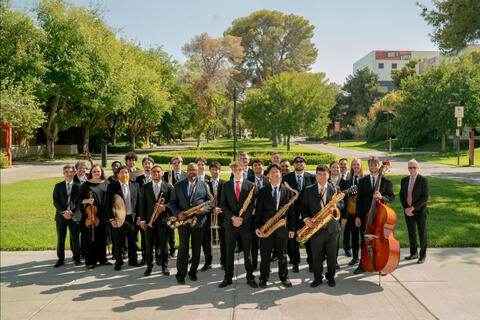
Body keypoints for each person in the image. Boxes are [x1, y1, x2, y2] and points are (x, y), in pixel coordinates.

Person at [169, 163, 213, 284]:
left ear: (198, 171)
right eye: (189, 170)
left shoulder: (205, 185)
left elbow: (211, 202)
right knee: (183, 249)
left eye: (194, 170)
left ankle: (193, 272)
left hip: (199, 222)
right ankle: (180, 274)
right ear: (186, 171)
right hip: (183, 221)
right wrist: (178, 213)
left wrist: (204, 210)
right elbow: (172, 202)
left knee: (196, 249)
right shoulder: (178, 185)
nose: (191, 172)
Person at [301, 164, 344, 287]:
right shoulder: (309, 189)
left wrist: (336, 206)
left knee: (332, 255)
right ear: (316, 175)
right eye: (319, 174)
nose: (322, 177)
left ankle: (331, 277)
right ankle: (317, 277)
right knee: (317, 255)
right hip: (315, 228)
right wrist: (306, 219)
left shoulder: (336, 189)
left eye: (324, 174)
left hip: (332, 229)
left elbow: (342, 204)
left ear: (329, 175)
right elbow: (303, 207)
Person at [255, 163, 296, 288]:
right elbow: (258, 212)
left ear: (280, 174)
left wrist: (292, 229)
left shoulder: (288, 191)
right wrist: (257, 227)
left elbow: (292, 212)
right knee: (265, 255)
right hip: (266, 228)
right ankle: (263, 278)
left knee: (282, 255)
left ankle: (284, 277)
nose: (275, 174)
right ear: (268, 176)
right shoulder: (262, 191)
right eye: (272, 172)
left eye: (277, 172)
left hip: (282, 229)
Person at [219, 161, 258, 288]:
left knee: (248, 253)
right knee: (229, 252)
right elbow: (223, 205)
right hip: (230, 224)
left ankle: (250, 277)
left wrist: (241, 219)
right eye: (235, 170)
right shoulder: (226, 185)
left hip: (245, 224)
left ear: (244, 170)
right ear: (231, 171)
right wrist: (233, 218)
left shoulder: (251, 185)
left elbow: (252, 205)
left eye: (240, 170)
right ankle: (227, 278)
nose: (237, 172)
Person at [354, 156, 395, 274]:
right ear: (369, 166)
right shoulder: (362, 181)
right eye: (370, 165)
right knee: (364, 240)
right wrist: (357, 216)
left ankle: (380, 263)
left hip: (380, 218)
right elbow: (359, 200)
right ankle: (363, 263)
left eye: (375, 165)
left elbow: (392, 197)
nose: (373, 167)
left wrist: (382, 197)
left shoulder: (386, 182)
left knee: (379, 241)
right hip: (365, 216)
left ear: (378, 166)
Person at [283, 155, 316, 273]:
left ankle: (311, 263)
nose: (299, 163)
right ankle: (295, 263)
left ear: (304, 164)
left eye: (301, 162)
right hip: (293, 215)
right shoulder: (286, 178)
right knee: (294, 241)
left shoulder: (311, 177)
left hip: (307, 215)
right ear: (294, 164)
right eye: (296, 162)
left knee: (309, 240)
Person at [106, 165, 141, 271]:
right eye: (121, 173)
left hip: (132, 218)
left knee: (132, 241)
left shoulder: (135, 185)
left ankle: (133, 260)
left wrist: (139, 217)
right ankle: (118, 262)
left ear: (129, 174)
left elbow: (139, 203)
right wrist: (111, 219)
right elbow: (107, 204)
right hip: (118, 218)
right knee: (118, 241)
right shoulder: (112, 186)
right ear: (117, 174)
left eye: (126, 172)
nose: (124, 174)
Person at [140, 165, 173, 276]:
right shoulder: (145, 187)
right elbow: (142, 205)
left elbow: (172, 203)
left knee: (164, 245)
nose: (156, 174)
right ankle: (149, 267)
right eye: (154, 172)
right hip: (150, 220)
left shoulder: (168, 187)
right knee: (149, 245)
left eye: (158, 172)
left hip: (163, 220)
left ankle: (165, 266)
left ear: (162, 173)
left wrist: (164, 207)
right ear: (151, 173)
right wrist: (143, 220)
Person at [77, 165, 110, 269]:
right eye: (94, 171)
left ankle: (103, 259)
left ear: (101, 172)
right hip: (90, 214)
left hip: (103, 214)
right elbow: (77, 200)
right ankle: (91, 261)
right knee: (90, 238)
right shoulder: (86, 185)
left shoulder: (106, 183)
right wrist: (86, 201)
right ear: (91, 172)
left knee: (102, 237)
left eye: (98, 171)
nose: (96, 173)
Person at [399, 159, 429, 264]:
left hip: (420, 211)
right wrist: (406, 208)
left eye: (414, 167)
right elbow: (402, 195)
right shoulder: (404, 180)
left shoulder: (423, 180)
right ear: (408, 168)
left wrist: (413, 208)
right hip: (408, 211)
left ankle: (422, 255)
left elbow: (424, 197)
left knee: (422, 233)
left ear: (418, 168)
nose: (412, 169)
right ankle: (413, 253)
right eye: (410, 167)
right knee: (411, 233)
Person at [53, 165, 82, 267]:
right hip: (61, 217)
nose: (69, 174)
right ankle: (60, 259)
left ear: (74, 173)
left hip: (74, 216)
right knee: (61, 238)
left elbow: (79, 202)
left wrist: (71, 212)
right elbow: (55, 201)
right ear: (63, 173)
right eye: (66, 172)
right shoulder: (58, 186)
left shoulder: (78, 186)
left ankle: (77, 258)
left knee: (75, 238)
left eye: (71, 172)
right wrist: (64, 212)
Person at [247, 158, 269, 269]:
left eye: (259, 165)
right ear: (252, 168)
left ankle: (265, 264)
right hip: (252, 215)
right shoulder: (248, 180)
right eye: (255, 165)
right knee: (253, 242)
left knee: (266, 242)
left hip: (265, 215)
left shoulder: (268, 179)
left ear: (263, 166)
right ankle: (254, 264)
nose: (257, 167)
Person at [163, 156, 187, 257]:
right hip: (171, 205)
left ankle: (184, 250)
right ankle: (172, 248)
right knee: (170, 228)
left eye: (178, 163)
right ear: (172, 164)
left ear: (181, 163)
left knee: (183, 229)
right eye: (174, 163)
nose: (176, 165)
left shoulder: (186, 175)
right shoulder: (166, 174)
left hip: (182, 205)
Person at [343, 158, 364, 265]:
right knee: (354, 236)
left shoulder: (366, 179)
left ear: (361, 166)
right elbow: (344, 195)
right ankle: (355, 257)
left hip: (363, 213)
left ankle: (365, 258)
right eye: (354, 164)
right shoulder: (348, 180)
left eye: (358, 164)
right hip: (352, 212)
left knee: (364, 236)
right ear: (351, 167)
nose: (356, 166)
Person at [329, 160, 349, 269]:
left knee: (335, 240)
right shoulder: (325, 181)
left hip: (338, 216)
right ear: (330, 169)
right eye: (333, 167)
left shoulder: (345, 183)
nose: (336, 169)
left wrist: (344, 218)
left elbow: (346, 202)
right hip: (325, 216)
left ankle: (334, 260)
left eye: (338, 168)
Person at [206, 161, 226, 270]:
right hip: (209, 215)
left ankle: (223, 262)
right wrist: (212, 209)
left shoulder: (225, 183)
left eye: (216, 169)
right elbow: (203, 200)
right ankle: (208, 262)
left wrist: (220, 209)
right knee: (208, 239)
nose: (214, 172)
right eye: (212, 170)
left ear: (220, 171)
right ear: (210, 171)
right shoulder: (206, 184)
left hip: (222, 215)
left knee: (223, 239)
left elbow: (228, 199)